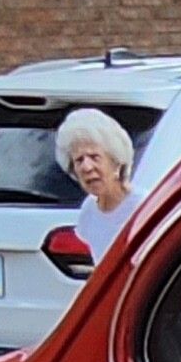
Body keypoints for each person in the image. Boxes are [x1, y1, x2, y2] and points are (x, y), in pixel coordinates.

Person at [53, 107, 140, 262]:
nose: (87, 167)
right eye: (79, 160)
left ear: (116, 162)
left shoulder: (142, 207)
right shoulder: (89, 210)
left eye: (94, 157)